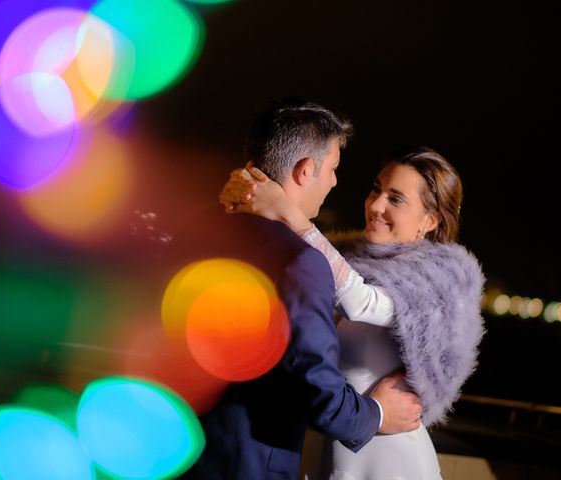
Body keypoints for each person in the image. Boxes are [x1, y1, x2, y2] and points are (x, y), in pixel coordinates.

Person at [176, 98, 422, 480]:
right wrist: (376, 414)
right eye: (334, 169)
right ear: (306, 170)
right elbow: (319, 388)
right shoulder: (300, 261)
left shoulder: (192, 232)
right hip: (250, 466)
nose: (336, 182)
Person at [219, 146, 486, 479]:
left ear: (430, 221)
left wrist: (289, 212)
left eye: (396, 199)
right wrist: (244, 195)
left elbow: (360, 303)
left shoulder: (439, 278)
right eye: (377, 188)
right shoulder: (345, 258)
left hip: (389, 458)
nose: (375, 205)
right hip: (327, 446)